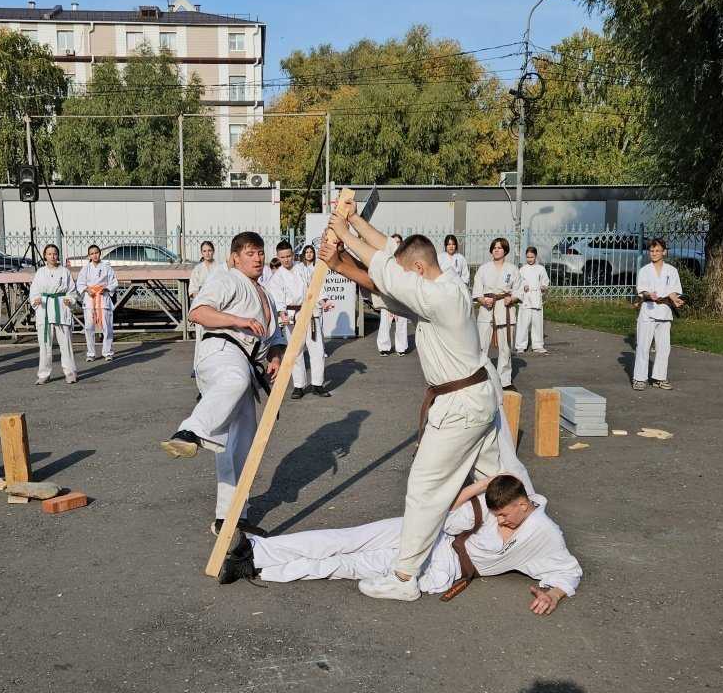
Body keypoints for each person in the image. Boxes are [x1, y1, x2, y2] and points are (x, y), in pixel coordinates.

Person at [320, 208, 505, 602]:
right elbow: (387, 264)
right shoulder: (436, 289)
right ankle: (523, 528)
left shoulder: (443, 295)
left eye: (409, 274)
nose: (405, 280)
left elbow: (388, 268)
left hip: (460, 405)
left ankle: (404, 578)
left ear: (420, 269)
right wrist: (348, 236)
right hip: (471, 399)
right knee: (498, 473)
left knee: (425, 488)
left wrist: (343, 233)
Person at [219, 475, 582, 615]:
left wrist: (553, 594)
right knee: (348, 538)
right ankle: (257, 548)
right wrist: (479, 487)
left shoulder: (544, 532)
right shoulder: (505, 501)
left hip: (446, 566)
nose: (500, 520)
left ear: (523, 504)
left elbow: (567, 570)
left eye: (505, 516)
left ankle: (256, 567)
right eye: (497, 514)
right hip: (435, 531)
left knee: (351, 564)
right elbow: (451, 508)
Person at [161, 231, 285, 537]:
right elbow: (198, 312)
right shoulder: (226, 279)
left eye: (260, 253)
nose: (257, 258)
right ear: (234, 257)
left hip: (247, 364)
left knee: (239, 447)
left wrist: (276, 357)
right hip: (220, 351)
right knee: (235, 378)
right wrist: (237, 320)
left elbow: (276, 338)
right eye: (250, 253)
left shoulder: (266, 294)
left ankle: (229, 519)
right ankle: (191, 430)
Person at [633, 237, 684, 391]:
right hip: (648, 310)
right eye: (652, 251)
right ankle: (639, 378)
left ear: (664, 252)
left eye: (657, 250)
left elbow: (674, 291)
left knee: (664, 347)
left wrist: (676, 300)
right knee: (643, 346)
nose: (654, 253)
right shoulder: (644, 270)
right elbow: (642, 291)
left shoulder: (672, 271)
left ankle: (659, 377)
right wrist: (649, 294)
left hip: (665, 311)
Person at [472, 237, 522, 389]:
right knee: (481, 346)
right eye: (494, 247)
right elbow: (477, 290)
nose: (496, 250)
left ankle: (505, 380)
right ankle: (480, 378)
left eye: (499, 248)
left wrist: (512, 298)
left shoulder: (512, 269)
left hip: (505, 309)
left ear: (505, 250)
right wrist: (482, 300)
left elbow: (519, 290)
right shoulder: (483, 268)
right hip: (487, 309)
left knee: (505, 347)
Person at [30, 244, 79, 385]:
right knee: (45, 344)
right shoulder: (40, 272)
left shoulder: (65, 272)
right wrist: (36, 299)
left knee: (65, 344)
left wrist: (70, 300)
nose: (52, 256)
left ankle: (70, 372)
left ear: (58, 255)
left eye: (55, 253)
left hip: (60, 308)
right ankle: (44, 374)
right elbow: (34, 291)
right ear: (45, 256)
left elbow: (72, 291)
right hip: (44, 309)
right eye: (49, 254)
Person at [292, 242, 334, 397]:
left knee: (317, 350)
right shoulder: (296, 269)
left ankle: (317, 384)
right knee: (296, 351)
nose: (309, 254)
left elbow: (319, 289)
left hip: (312, 315)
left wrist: (324, 302)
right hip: (296, 316)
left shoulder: (317, 269)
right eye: (307, 252)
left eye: (311, 252)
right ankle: (299, 386)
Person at [76, 244, 118, 361]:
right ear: (89, 256)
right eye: (92, 253)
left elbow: (114, 282)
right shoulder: (86, 269)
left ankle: (107, 352)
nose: (95, 255)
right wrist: (86, 289)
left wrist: (107, 288)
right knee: (89, 327)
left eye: (96, 252)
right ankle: (90, 353)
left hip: (103, 298)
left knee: (107, 326)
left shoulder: (107, 267)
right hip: (90, 300)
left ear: (100, 253)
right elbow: (80, 283)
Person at [376, 233, 411, 356]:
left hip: (402, 296)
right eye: (394, 242)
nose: (397, 244)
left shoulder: (407, 260)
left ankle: (401, 347)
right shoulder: (386, 260)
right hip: (387, 295)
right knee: (385, 322)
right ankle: (384, 347)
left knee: (401, 322)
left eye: (399, 242)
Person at [189, 240, 219, 374]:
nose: (207, 253)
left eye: (209, 250)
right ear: (201, 253)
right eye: (204, 251)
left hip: (217, 306)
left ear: (213, 251)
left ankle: (215, 366)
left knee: (216, 338)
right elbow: (193, 290)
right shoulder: (198, 269)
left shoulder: (220, 267)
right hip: (202, 306)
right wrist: (202, 297)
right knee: (200, 337)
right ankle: (197, 367)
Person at [515, 246, 550, 354]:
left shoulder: (541, 269)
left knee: (537, 323)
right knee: (523, 323)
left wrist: (544, 286)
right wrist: (523, 286)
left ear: (536, 256)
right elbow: (518, 282)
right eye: (528, 257)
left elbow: (545, 281)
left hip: (536, 298)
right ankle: (520, 345)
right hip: (525, 299)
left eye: (532, 257)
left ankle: (538, 345)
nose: (530, 259)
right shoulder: (522, 269)